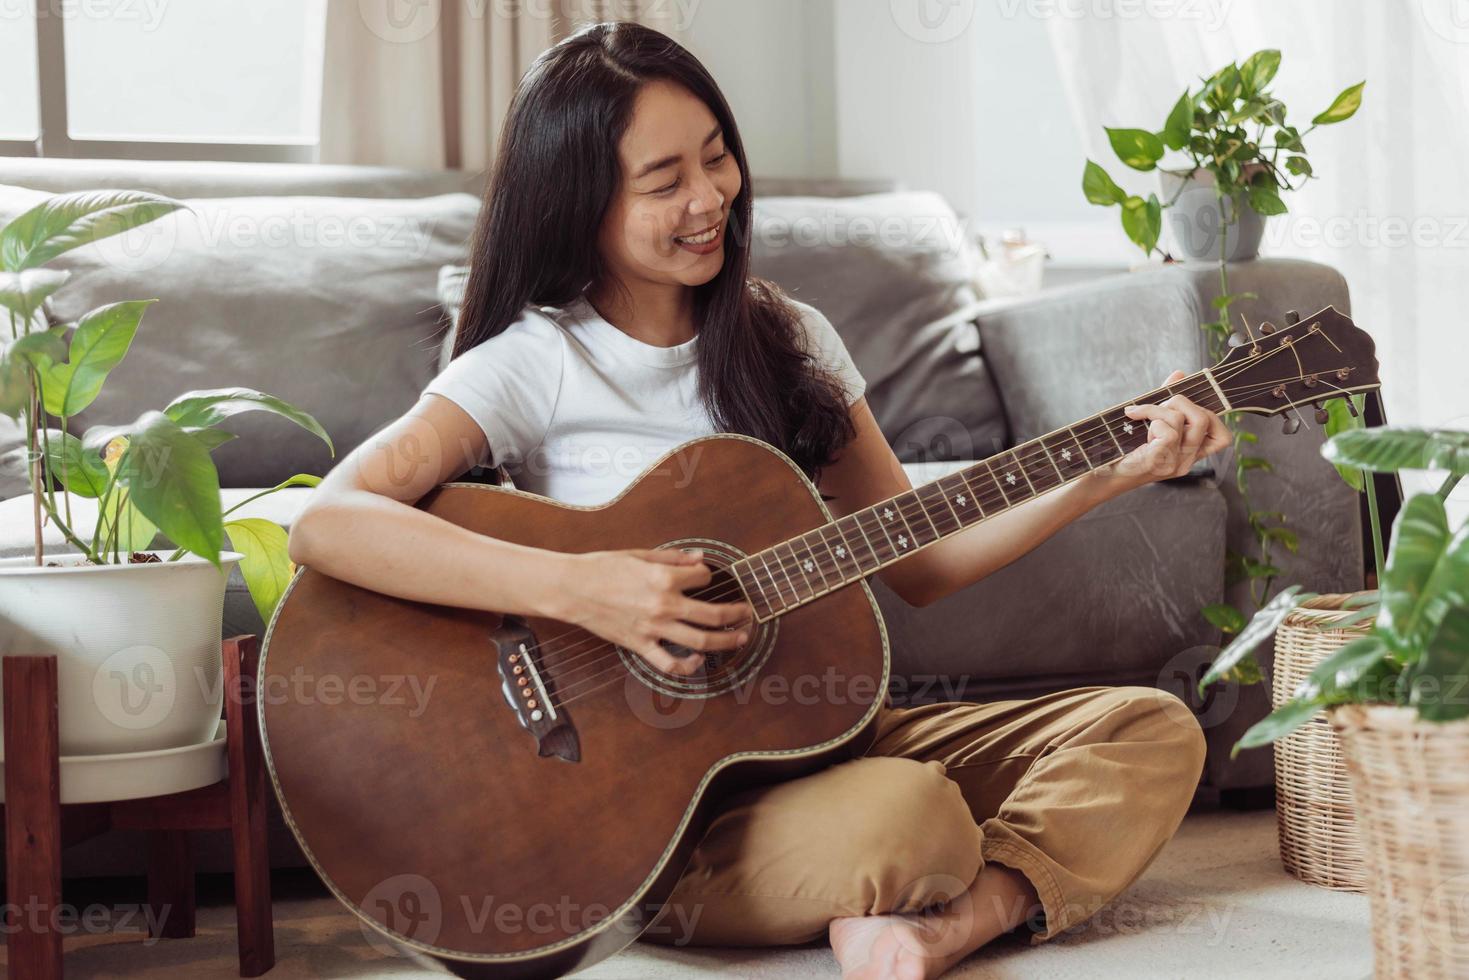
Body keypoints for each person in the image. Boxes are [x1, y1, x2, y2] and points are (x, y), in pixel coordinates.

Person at [286, 21, 1232, 980]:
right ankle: (681, 890)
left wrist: (1107, 474)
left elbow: (922, 562)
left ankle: (948, 927)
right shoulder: (536, 361)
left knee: (1147, 729)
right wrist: (583, 589)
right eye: (664, 182)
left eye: (716, 157)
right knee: (911, 820)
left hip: (816, 739)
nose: (708, 198)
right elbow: (330, 520)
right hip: (654, 808)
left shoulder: (791, 338)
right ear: (583, 206)